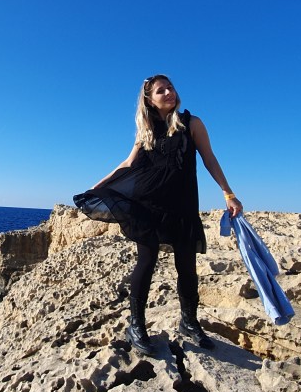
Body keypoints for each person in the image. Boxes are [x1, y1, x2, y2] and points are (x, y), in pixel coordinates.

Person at [73, 74, 243, 356]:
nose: (168, 93)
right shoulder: (147, 129)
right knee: (147, 261)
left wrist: (228, 193)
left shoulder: (191, 123)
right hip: (148, 204)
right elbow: (128, 163)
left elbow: (209, 158)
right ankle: (136, 325)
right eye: (161, 90)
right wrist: (98, 186)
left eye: (170, 87)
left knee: (186, 265)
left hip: (183, 205)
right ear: (149, 100)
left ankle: (189, 322)